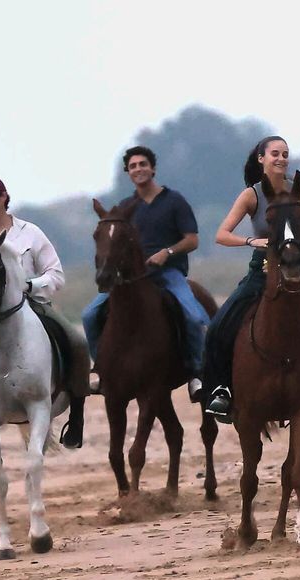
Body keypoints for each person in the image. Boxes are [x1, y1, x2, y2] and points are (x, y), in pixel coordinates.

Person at [202, 136, 300, 423]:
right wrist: (252, 240)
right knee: (217, 329)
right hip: (261, 272)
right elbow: (221, 234)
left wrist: (295, 256)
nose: (281, 158)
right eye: (275, 153)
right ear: (261, 159)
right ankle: (221, 388)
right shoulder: (251, 195)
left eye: (285, 154)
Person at [0, 175, 89, 453]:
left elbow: (55, 274)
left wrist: (30, 285)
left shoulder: (31, 233)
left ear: (3, 197)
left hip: (32, 304)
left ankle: (76, 417)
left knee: (78, 342)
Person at [80, 146, 210, 402]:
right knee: (89, 314)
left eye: (143, 164)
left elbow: (192, 240)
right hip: (131, 278)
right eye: (133, 166)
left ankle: (197, 373)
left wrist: (167, 252)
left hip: (168, 273)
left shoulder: (174, 201)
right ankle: (103, 370)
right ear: (128, 172)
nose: (138, 169)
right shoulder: (126, 207)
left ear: (153, 168)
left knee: (195, 317)